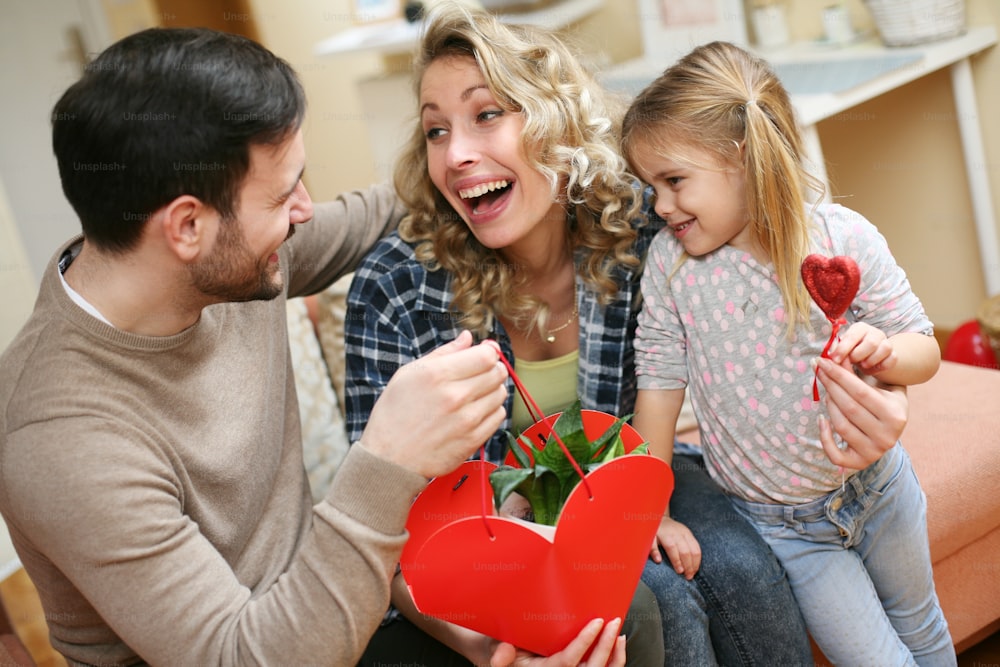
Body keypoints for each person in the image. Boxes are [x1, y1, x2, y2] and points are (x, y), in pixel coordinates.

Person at [0, 26, 627, 667]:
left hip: (333, 612)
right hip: (269, 651)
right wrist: (388, 458)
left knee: (615, 619)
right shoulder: (58, 438)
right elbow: (243, 656)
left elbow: (404, 201)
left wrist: (552, 151)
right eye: (283, 194)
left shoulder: (220, 256)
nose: (306, 212)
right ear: (187, 225)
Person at [342, 6, 907, 666]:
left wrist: (879, 394)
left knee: (744, 572)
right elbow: (384, 522)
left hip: (637, 468)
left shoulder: (647, 226)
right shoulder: (395, 286)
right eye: (435, 130)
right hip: (507, 523)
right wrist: (488, 645)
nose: (457, 152)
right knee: (658, 599)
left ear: (556, 124)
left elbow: (781, 299)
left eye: (487, 114)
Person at [622, 40, 953, 665]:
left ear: (742, 159)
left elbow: (924, 350)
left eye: (674, 181)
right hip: (787, 530)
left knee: (925, 631)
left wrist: (884, 351)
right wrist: (652, 514)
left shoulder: (844, 237)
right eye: (651, 186)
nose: (660, 206)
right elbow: (658, 393)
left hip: (882, 491)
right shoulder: (671, 268)